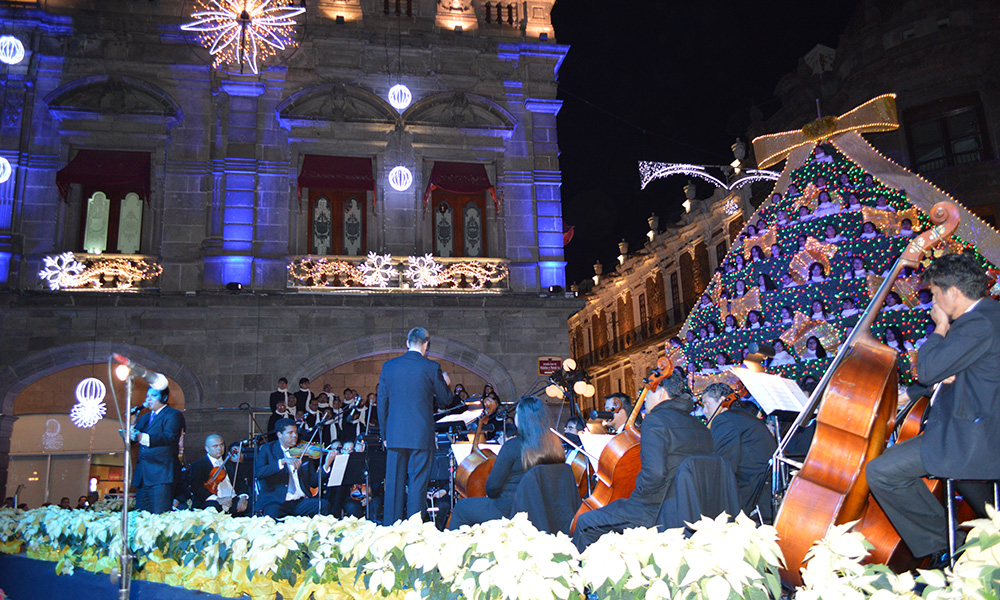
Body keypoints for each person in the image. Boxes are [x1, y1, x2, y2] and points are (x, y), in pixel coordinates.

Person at [866, 253, 1000, 562]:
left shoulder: (975, 322)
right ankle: (957, 541)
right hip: (972, 427)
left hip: (970, 437)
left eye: (936, 295)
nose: (934, 303)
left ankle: (946, 544)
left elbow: (926, 369)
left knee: (881, 471)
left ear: (953, 292)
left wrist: (939, 328)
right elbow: (958, 373)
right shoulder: (989, 316)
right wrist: (913, 392)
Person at [572, 371, 714, 550]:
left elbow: (654, 474)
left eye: (648, 392)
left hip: (655, 508)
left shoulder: (655, 420)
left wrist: (637, 493)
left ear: (661, 392)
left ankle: (582, 575)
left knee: (586, 522)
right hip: (692, 508)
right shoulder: (699, 426)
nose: (644, 398)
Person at [449, 396, 565, 529]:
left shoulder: (513, 446)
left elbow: (492, 488)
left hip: (508, 510)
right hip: (541, 510)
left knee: (462, 507)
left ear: (521, 420)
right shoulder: (556, 447)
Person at [377, 327, 453, 525]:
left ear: (407, 343)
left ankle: (390, 528)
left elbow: (382, 402)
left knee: (393, 484)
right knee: (418, 484)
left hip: (394, 435)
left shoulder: (389, 366)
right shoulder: (431, 367)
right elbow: (445, 399)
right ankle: (414, 529)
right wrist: (445, 383)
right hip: (420, 434)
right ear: (426, 345)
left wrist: (385, 434)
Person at [702, 383, 777, 523]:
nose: (704, 410)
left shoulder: (723, 419)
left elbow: (723, 466)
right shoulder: (745, 417)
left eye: (707, 404)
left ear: (722, 400)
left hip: (751, 495)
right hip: (765, 492)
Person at [254, 418, 332, 518]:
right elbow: (259, 472)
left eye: (295, 432)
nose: (295, 436)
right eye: (290, 433)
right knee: (272, 515)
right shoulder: (267, 449)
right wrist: (282, 461)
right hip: (276, 501)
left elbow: (313, 482)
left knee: (323, 505)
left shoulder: (302, 452)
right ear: (279, 434)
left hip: (298, 501)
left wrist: (326, 465)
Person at [129, 385, 185, 514]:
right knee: (142, 518)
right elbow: (131, 442)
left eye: (153, 396)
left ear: (164, 397)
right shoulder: (144, 417)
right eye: (147, 396)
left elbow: (169, 437)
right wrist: (132, 423)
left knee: (159, 516)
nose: (149, 399)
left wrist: (142, 436)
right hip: (143, 476)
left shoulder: (173, 415)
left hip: (161, 474)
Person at [187, 434, 250, 515]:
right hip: (212, 501)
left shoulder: (231, 464)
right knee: (213, 507)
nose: (220, 448)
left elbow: (241, 484)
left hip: (233, 500)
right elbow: (196, 488)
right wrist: (217, 499)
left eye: (221, 445)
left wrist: (243, 497)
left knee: (252, 504)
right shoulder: (198, 465)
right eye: (215, 446)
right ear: (207, 448)